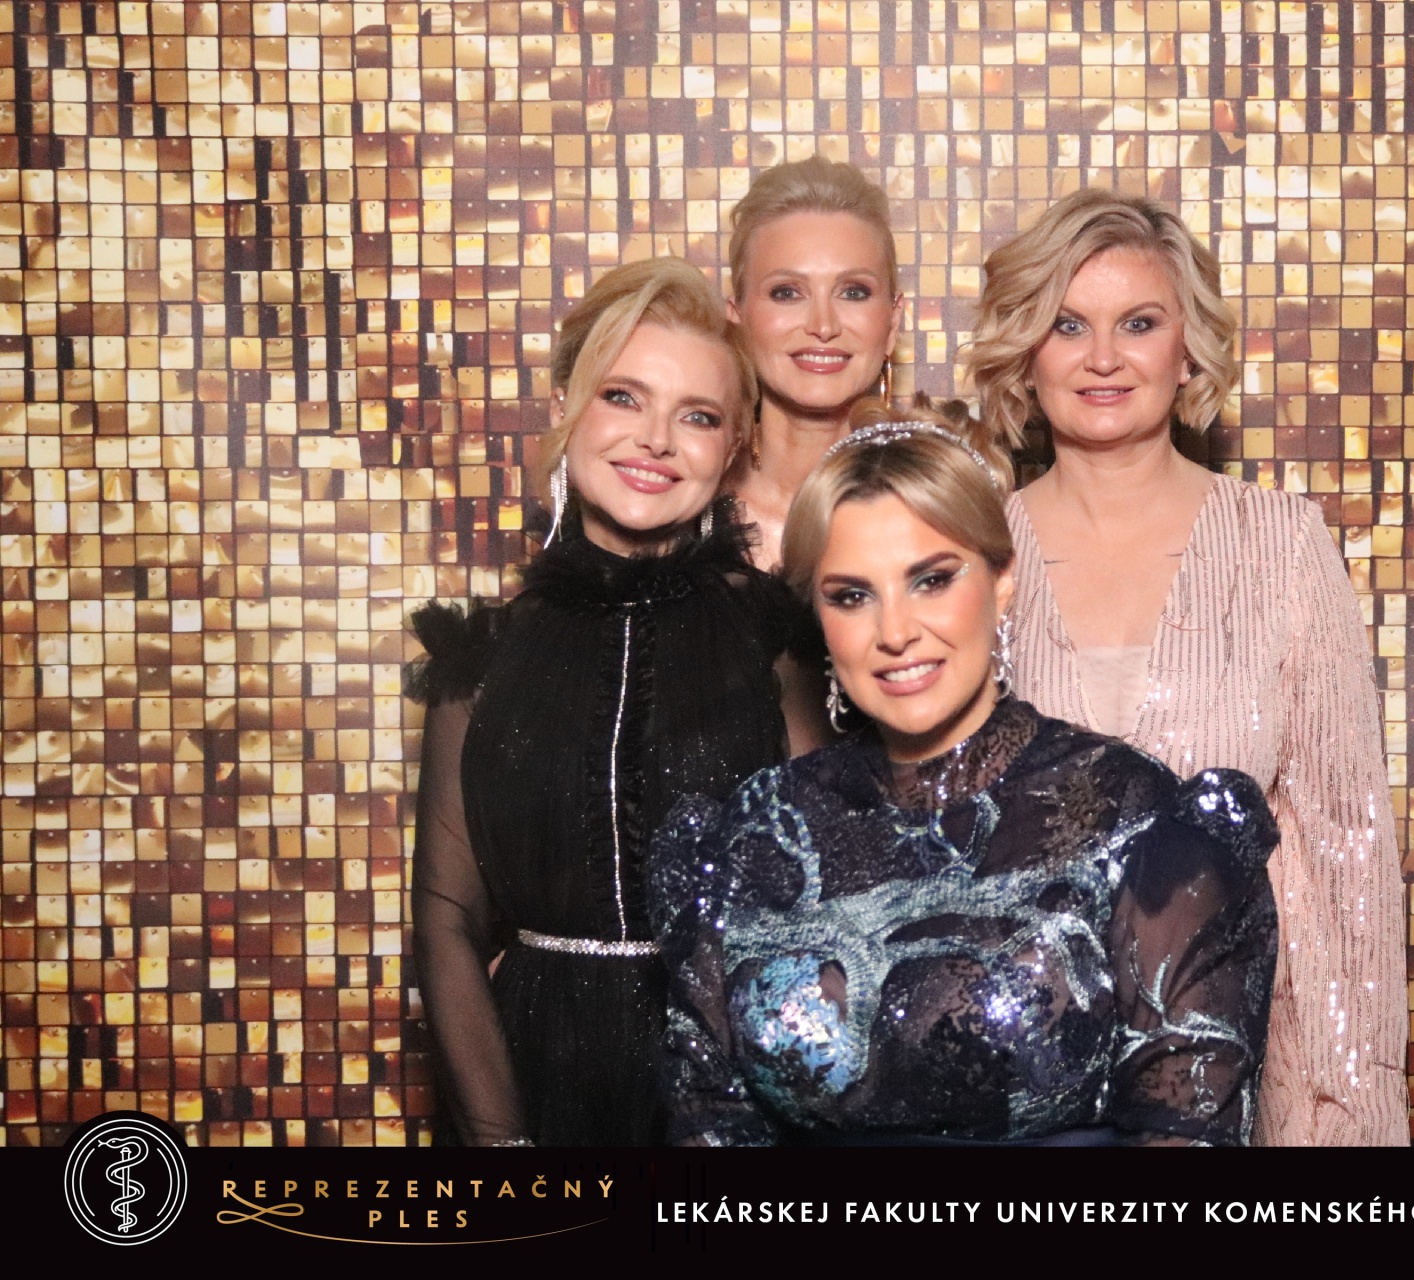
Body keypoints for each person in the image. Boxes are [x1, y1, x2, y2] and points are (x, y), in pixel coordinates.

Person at [652, 407, 1278, 1146]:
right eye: (851, 595)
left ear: (1002, 579)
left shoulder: (1133, 817)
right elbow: (705, 1112)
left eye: (931, 580)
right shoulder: (756, 830)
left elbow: (1186, 1126)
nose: (894, 632)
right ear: (817, 616)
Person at [965, 189, 1410, 1146]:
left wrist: (1343, 1111)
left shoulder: (1281, 545)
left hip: (1235, 1083)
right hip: (1014, 1094)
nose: (1103, 358)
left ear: (1187, 348)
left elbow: (1345, 850)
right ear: (1026, 350)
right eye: (1067, 325)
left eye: (1139, 323)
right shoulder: (968, 553)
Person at [405, 257, 826, 1146]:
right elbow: (447, 920)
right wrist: (503, 1151)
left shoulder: (776, 643)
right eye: (623, 397)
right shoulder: (483, 658)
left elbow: (824, 907)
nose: (656, 439)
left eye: (697, 415)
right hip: (530, 1084)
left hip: (734, 1100)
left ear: (734, 444)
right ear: (567, 404)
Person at [723, 155, 906, 570]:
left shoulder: (940, 514)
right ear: (738, 320)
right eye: (787, 292)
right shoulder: (681, 512)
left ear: (893, 323)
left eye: (853, 292)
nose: (823, 326)